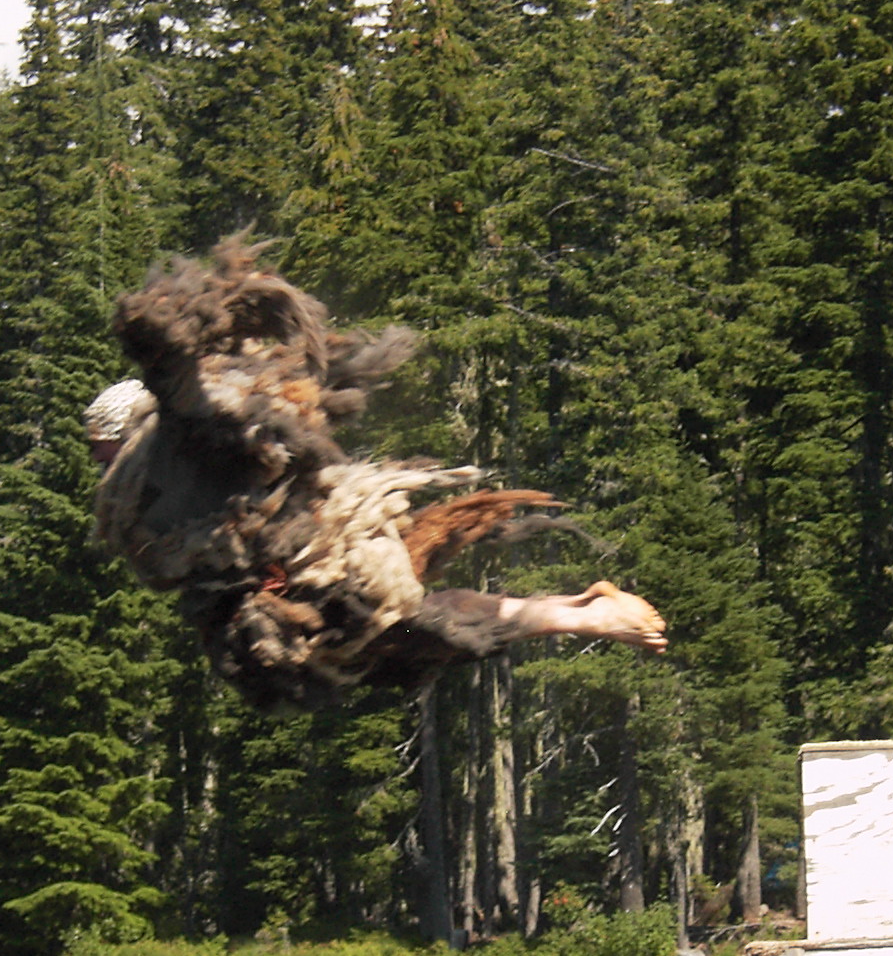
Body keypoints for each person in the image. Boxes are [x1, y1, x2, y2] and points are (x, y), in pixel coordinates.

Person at [86, 243, 664, 710]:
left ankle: (591, 617)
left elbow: (216, 412)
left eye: (102, 451)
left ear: (123, 435)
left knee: (412, 625)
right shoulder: (158, 476)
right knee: (419, 629)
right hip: (323, 563)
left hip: (322, 560)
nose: (101, 466)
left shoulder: (173, 441)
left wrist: (161, 346)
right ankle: (582, 608)